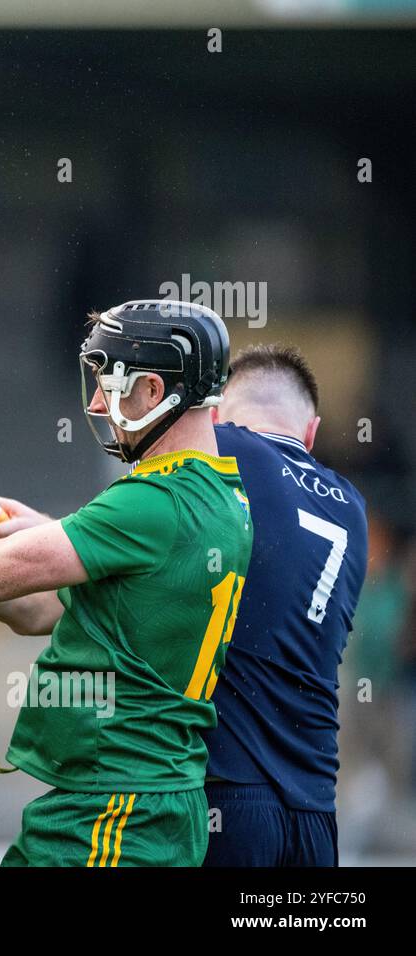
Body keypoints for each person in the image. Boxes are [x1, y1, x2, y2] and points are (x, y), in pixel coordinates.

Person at [0, 300, 252, 866]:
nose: (94, 402)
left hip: (115, 812)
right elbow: (35, 608)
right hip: (128, 805)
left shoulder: (151, 503)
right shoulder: (217, 496)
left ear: (155, 391)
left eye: (109, 382)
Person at [201, 344, 368, 866]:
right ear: (312, 432)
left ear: (213, 416)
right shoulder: (354, 509)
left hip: (230, 798)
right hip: (315, 815)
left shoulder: (220, 448)